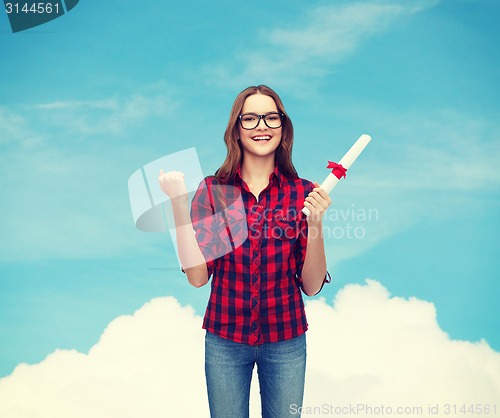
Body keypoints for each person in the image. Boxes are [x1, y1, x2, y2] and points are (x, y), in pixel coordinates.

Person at [158, 85, 331, 418]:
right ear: (236, 130)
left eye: (270, 117)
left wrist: (316, 223)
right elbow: (197, 277)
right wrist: (178, 202)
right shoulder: (215, 190)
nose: (261, 126)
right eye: (250, 118)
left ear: (284, 127)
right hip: (225, 339)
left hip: (286, 340)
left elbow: (310, 286)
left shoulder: (304, 193)